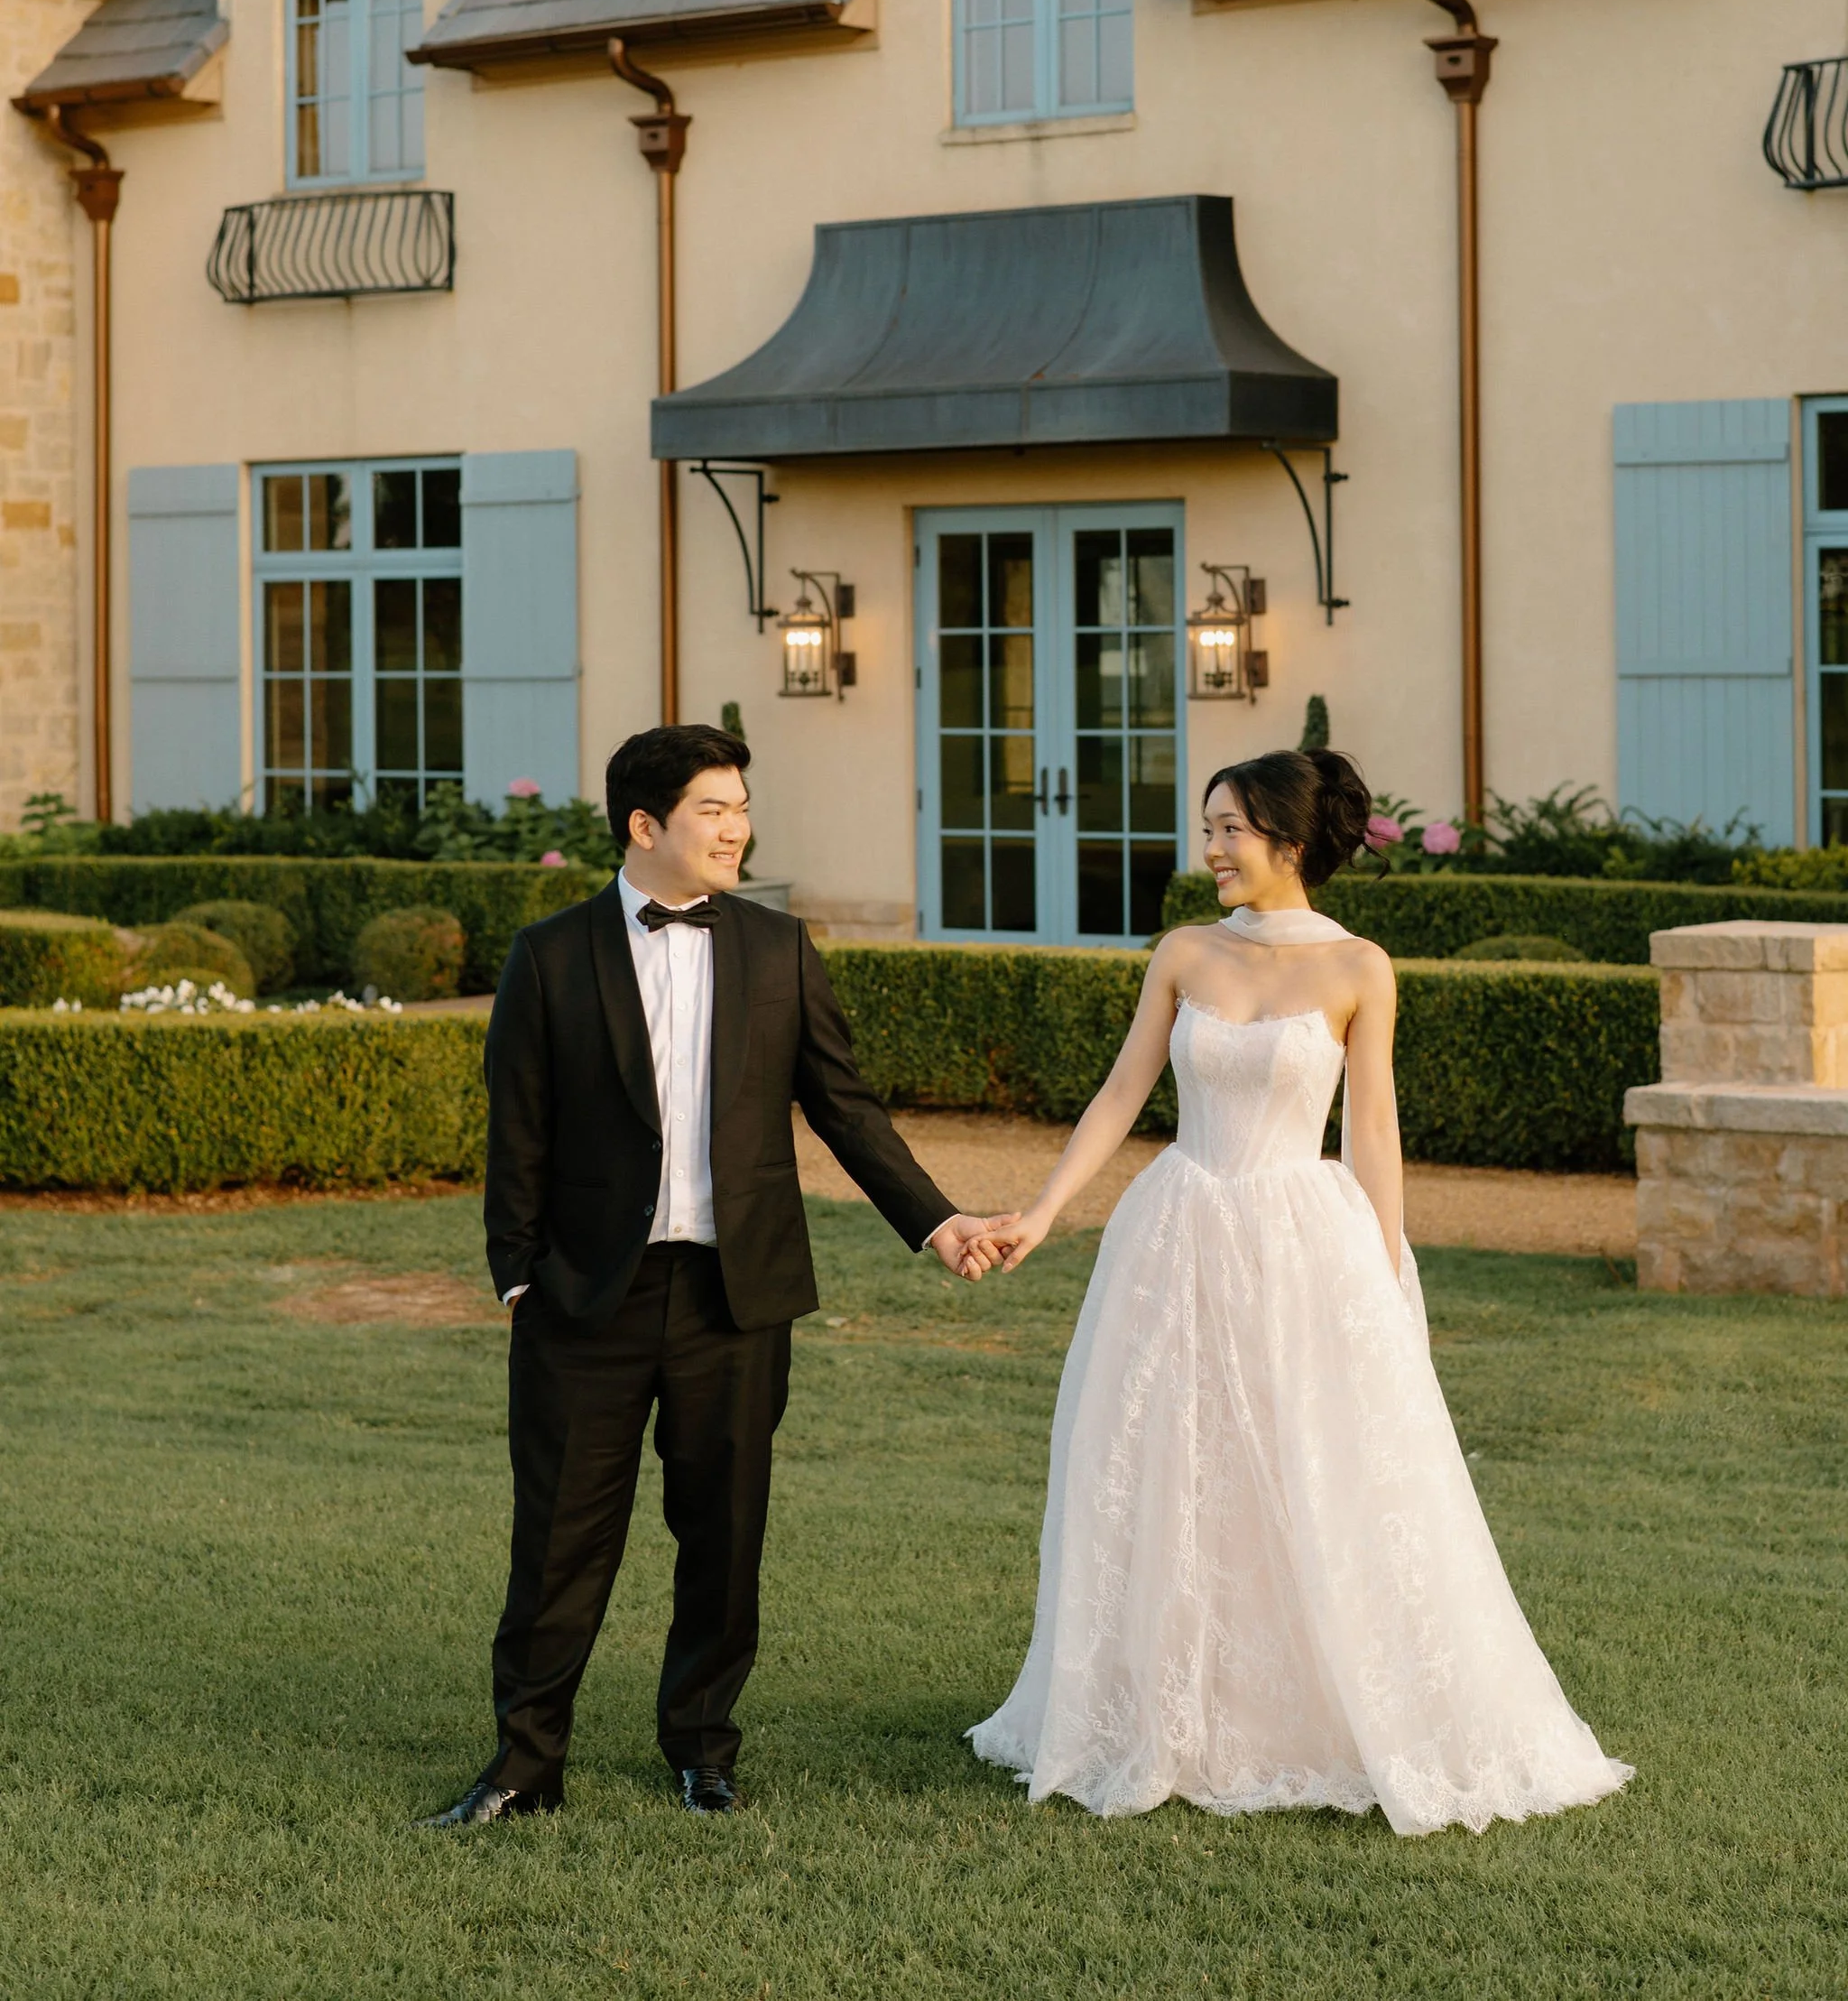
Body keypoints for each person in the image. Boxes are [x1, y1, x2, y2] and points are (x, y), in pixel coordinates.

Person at [966, 748, 1632, 1836]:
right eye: (1207, 825)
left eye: (1228, 828)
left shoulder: (1359, 968)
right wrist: (1040, 1212)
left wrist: (1386, 1270)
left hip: (1299, 1243)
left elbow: (1372, 1130)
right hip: (1177, 1230)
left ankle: (1314, 1714)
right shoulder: (1181, 953)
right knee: (1173, 1460)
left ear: (1287, 840)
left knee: (1312, 1465)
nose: (1211, 848)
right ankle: (1173, 1707)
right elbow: (1121, 1091)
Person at [423, 722, 1011, 1828]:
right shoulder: (549, 955)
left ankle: (701, 1748)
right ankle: (523, 1763)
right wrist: (516, 1278)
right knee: (556, 1542)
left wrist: (934, 1222)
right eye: (713, 810)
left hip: (737, 1300)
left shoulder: (776, 949)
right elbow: (519, 1130)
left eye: (741, 808)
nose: (736, 828)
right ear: (645, 826)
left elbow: (843, 1106)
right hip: (583, 1300)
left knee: (723, 1533)